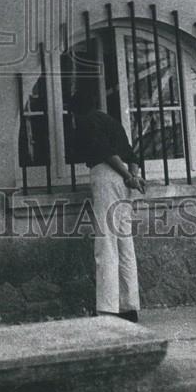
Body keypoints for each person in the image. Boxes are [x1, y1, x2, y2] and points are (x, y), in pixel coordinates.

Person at [71, 84, 146, 322]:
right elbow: (132, 155)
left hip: (106, 177)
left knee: (106, 243)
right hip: (124, 182)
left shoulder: (86, 121)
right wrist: (132, 177)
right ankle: (129, 306)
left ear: (76, 110)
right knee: (125, 242)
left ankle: (107, 309)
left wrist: (126, 175)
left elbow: (105, 152)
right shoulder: (111, 121)